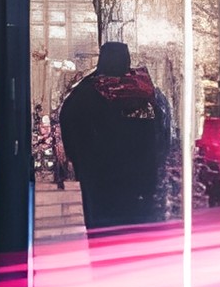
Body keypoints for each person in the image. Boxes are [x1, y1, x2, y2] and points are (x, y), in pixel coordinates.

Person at [56, 40, 174, 233]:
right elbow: (163, 128)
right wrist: (155, 161)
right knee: (135, 232)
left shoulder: (86, 92)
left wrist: (80, 160)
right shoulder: (145, 91)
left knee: (102, 231)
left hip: (99, 178)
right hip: (139, 177)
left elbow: (70, 123)